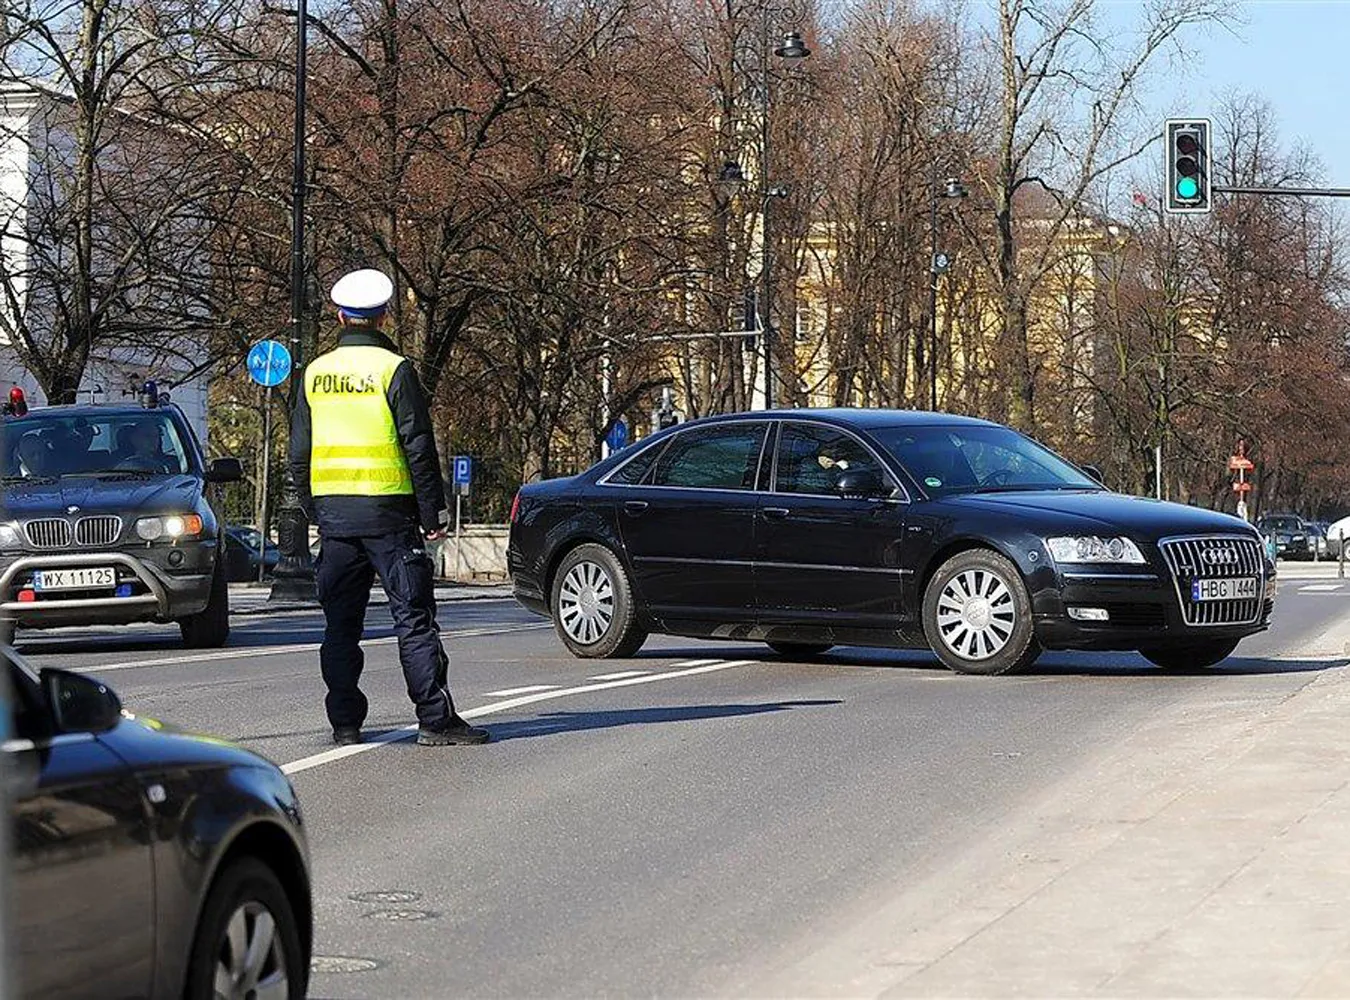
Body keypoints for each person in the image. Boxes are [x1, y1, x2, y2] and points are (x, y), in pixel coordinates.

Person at [289, 267, 489, 748]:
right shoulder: (394, 371)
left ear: (341, 317)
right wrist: (432, 513)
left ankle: (344, 723)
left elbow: (299, 453)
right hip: (390, 518)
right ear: (382, 318)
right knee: (413, 619)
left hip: (337, 521)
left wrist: (313, 509)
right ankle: (435, 719)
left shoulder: (314, 374)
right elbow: (418, 445)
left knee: (340, 625)